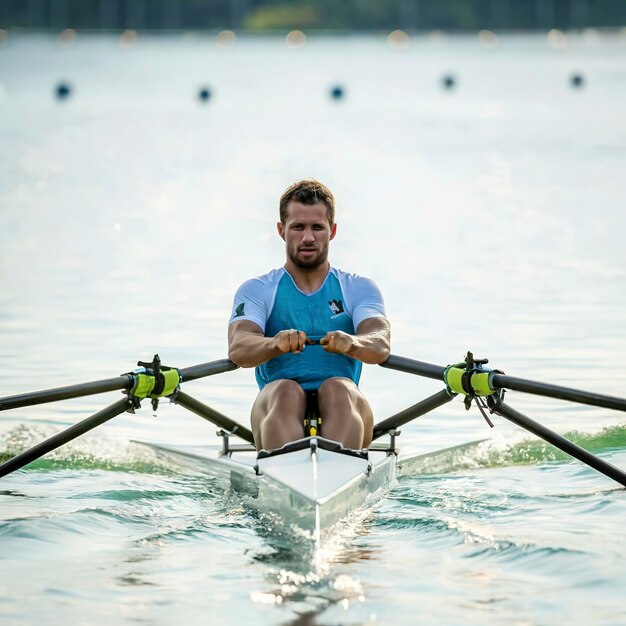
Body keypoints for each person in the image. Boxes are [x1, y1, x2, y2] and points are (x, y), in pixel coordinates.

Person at [227, 179, 390, 451]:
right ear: (281, 231)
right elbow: (239, 347)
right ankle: (291, 475)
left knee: (338, 389)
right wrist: (273, 343)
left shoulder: (358, 288)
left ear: (332, 231)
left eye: (317, 227)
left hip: (344, 402)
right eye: (298, 227)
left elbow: (380, 343)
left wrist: (353, 342)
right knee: (284, 391)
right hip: (276, 405)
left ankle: (335, 474)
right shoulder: (258, 289)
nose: (307, 238)